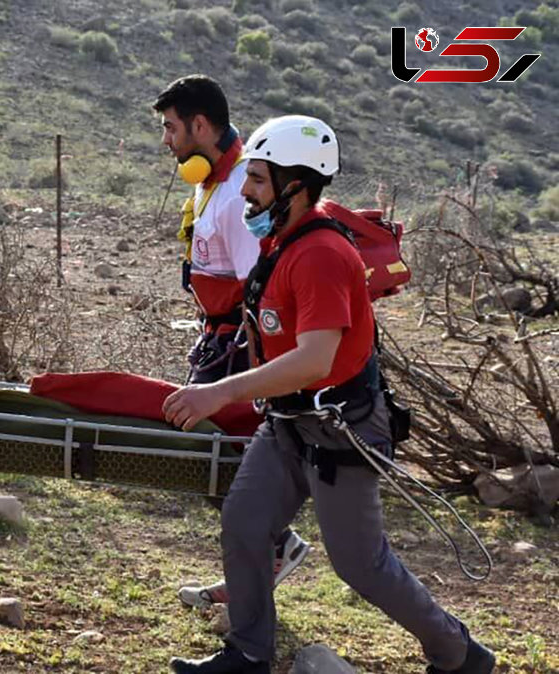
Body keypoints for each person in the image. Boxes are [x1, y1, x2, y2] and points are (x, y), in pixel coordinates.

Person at [163, 115, 495, 674]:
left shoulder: (319, 254)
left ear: (298, 185)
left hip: (341, 430)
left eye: (259, 180)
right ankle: (248, 653)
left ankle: (459, 654)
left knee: (360, 565)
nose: (245, 189)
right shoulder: (280, 241)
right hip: (289, 423)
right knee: (245, 523)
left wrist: (218, 393)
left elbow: (314, 360)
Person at [153, 75, 309, 609]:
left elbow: (258, 284)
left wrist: (243, 365)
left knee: (219, 457)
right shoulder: (209, 183)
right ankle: (261, 561)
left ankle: (272, 552)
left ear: (201, 125)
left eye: (172, 128)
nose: (167, 140)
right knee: (218, 462)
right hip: (217, 338)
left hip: (237, 344)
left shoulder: (240, 187)